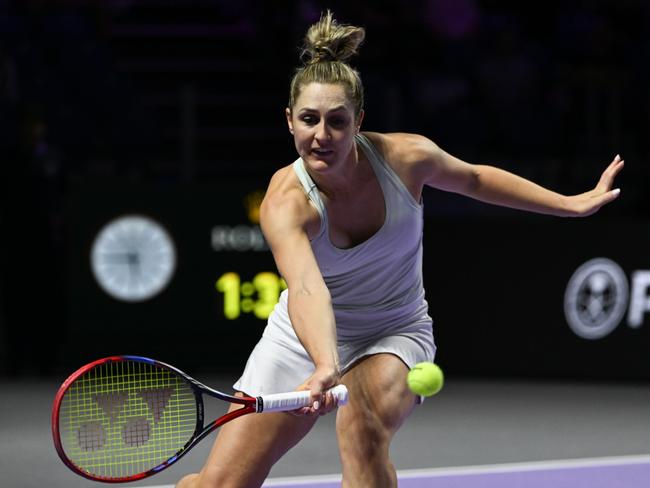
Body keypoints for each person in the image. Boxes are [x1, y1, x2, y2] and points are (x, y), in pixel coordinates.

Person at [177, 10, 623, 488]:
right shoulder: (285, 202)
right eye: (308, 120)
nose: (321, 135)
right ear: (289, 121)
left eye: (336, 121)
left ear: (359, 121)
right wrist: (326, 364)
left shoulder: (406, 159)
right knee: (220, 486)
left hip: (394, 330)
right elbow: (306, 288)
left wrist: (569, 205)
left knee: (362, 426)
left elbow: (473, 178)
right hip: (301, 340)